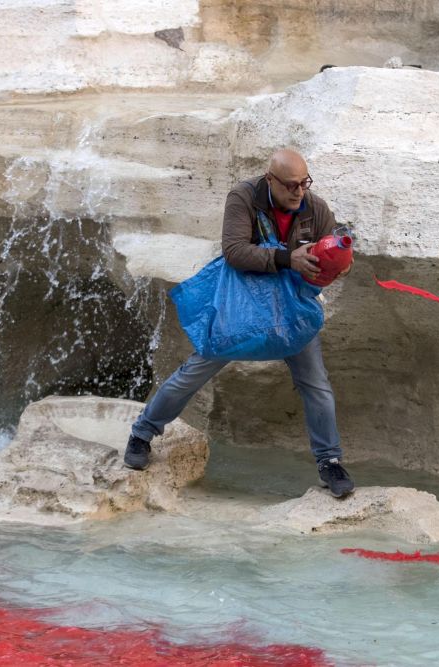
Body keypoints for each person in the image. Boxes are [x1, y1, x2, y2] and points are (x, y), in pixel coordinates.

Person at [123, 148, 355, 498]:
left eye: (304, 184)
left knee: (316, 385)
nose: (298, 192)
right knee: (194, 372)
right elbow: (234, 251)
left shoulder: (315, 207)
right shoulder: (244, 197)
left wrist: (340, 262)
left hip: (291, 311)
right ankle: (142, 434)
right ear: (270, 179)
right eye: (291, 185)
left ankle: (330, 462)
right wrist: (286, 259)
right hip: (242, 306)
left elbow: (332, 243)